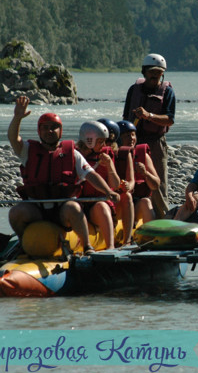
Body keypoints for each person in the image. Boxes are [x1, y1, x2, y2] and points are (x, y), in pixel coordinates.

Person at [7, 96, 119, 254]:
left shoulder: (72, 154)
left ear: (61, 131)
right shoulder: (27, 151)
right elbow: (13, 138)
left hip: (62, 209)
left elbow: (91, 176)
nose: (49, 131)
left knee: (73, 207)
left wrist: (108, 191)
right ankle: (23, 242)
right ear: (39, 131)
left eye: (54, 127)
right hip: (37, 209)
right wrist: (17, 117)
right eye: (45, 128)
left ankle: (87, 246)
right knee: (16, 212)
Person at [123, 53, 175, 218]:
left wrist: (149, 116)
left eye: (159, 73)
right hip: (134, 142)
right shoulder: (134, 90)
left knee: (158, 184)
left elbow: (169, 120)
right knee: (131, 179)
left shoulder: (167, 92)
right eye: (152, 72)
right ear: (144, 72)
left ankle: (163, 218)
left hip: (156, 143)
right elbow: (125, 118)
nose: (155, 76)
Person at [76, 121, 122, 249]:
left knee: (101, 206)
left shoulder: (106, 155)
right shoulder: (74, 155)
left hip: (98, 205)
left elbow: (115, 184)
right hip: (78, 204)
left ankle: (110, 247)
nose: (103, 145)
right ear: (89, 140)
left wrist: (109, 166)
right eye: (100, 141)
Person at [115, 120, 161, 226]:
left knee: (146, 202)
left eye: (133, 135)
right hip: (118, 204)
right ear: (118, 138)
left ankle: (149, 236)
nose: (131, 138)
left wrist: (145, 173)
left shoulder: (142, 155)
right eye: (126, 136)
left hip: (136, 205)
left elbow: (156, 185)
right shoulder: (112, 155)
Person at [97, 118, 135, 245]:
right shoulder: (85, 153)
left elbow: (130, 181)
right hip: (92, 203)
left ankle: (127, 240)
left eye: (107, 141)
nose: (104, 144)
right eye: (100, 140)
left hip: (113, 202)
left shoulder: (121, 154)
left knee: (127, 196)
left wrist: (127, 186)